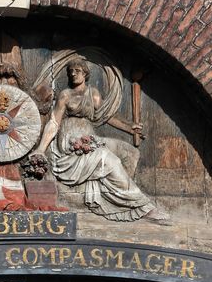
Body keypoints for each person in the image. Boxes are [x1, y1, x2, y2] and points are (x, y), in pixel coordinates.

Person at [34, 58, 169, 224]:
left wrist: (129, 127)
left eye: (77, 70)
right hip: (71, 143)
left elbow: (107, 117)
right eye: (71, 72)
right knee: (109, 159)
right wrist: (41, 148)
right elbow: (54, 122)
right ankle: (142, 205)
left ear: (85, 73)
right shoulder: (65, 95)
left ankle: (114, 195)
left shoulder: (93, 93)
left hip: (91, 139)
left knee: (130, 151)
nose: (74, 74)